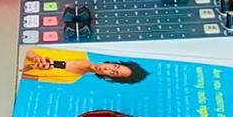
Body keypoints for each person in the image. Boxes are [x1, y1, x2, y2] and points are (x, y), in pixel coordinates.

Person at [20, 51, 149, 85]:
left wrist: (30, 66)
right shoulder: (77, 51)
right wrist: (34, 57)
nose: (107, 69)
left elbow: (23, 76)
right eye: (115, 66)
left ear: (109, 78)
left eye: (114, 73)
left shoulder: (70, 80)